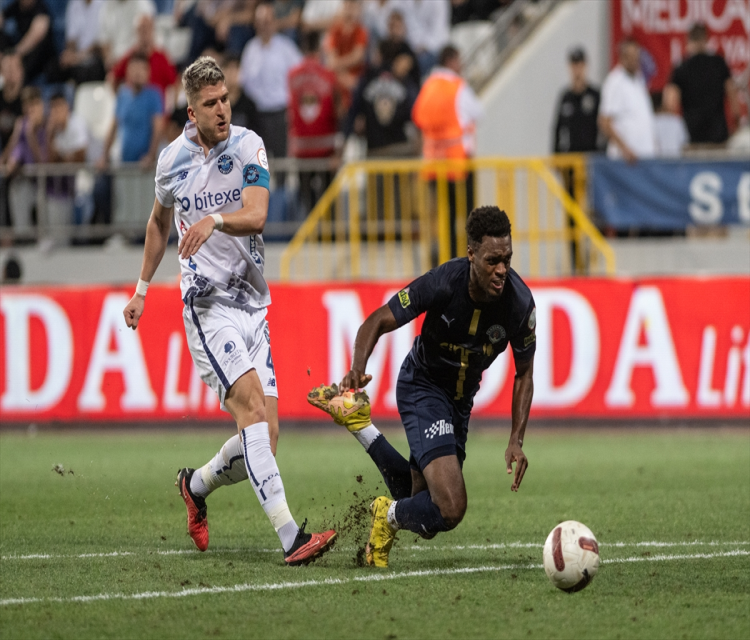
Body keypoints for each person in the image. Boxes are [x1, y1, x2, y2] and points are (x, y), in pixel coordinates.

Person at [121, 56, 336, 565]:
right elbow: (157, 223)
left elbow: (259, 213)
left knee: (267, 437)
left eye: (225, 100)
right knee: (253, 415)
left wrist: (215, 220)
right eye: (211, 104)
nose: (223, 110)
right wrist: (142, 289)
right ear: (190, 112)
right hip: (207, 306)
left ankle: (195, 486)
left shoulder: (249, 144)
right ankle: (291, 537)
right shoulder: (171, 161)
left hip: (253, 307)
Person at [309, 205, 535, 568]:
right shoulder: (444, 282)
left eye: (507, 259)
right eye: (493, 260)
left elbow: (524, 373)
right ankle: (386, 516)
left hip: (460, 404)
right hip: (423, 387)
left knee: (426, 510)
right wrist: (356, 369)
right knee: (451, 506)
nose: (502, 270)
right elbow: (379, 319)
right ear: (472, 254)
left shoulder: (519, 305)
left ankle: (361, 426)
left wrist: (516, 440)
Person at [412, 45, 482, 258]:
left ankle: (446, 258)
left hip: (434, 164)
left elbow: (417, 116)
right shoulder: (457, 86)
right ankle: (467, 259)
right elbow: (479, 112)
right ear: (451, 60)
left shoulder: (428, 86)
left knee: (444, 216)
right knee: (467, 215)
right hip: (458, 163)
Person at [239, 2, 302, 158]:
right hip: (257, 114)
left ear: (274, 22)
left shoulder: (286, 48)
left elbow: (300, 75)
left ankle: (281, 183)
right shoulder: (250, 49)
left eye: (267, 21)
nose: (264, 26)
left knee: (281, 158)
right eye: (260, 22)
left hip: (280, 113)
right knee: (258, 158)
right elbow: (244, 81)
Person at [287, 30, 340, 214]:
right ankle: (329, 237)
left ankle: (310, 237)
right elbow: (336, 109)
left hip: (302, 147)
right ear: (319, 48)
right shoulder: (328, 75)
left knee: (306, 198)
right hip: (325, 146)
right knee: (328, 199)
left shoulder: (292, 76)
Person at [664, 23, 740, 146]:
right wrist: (735, 127)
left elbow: (670, 106)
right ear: (706, 39)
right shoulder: (719, 64)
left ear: (687, 40)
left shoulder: (681, 68)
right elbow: (734, 103)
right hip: (719, 139)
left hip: (691, 139)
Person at [344, 39, 419, 157]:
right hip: (400, 149)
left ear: (379, 54)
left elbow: (353, 111)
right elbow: (415, 112)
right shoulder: (403, 81)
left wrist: (348, 135)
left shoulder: (367, 78)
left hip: (375, 151)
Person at [100, 53, 163, 169]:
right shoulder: (122, 94)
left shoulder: (154, 95)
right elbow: (114, 126)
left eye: (142, 68)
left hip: (145, 165)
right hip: (125, 161)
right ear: (128, 71)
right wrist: (104, 155)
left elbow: (158, 128)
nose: (138, 73)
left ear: (148, 72)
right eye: (134, 68)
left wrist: (151, 156)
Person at [598, 38, 655, 163]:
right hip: (625, 161)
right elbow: (605, 122)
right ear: (622, 58)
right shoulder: (615, 82)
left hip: (644, 158)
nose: (636, 60)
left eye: (637, 56)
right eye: (631, 56)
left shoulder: (638, 80)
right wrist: (624, 149)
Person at [110, 14, 178, 102]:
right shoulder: (130, 56)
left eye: (147, 28)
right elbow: (113, 78)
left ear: (153, 30)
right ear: (136, 32)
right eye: (141, 29)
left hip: (156, 111)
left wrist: (173, 109)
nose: (144, 32)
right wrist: (122, 102)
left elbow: (175, 84)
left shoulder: (162, 57)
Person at [552, 47, 600, 154]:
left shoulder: (595, 95)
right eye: (574, 66)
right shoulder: (566, 97)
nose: (577, 71)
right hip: (571, 157)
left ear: (585, 66)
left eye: (580, 66)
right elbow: (558, 129)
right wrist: (556, 156)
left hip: (591, 157)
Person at [323, 0, 369, 104]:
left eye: (352, 6)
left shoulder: (361, 31)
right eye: (347, 5)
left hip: (355, 77)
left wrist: (338, 67)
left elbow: (357, 57)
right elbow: (331, 59)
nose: (349, 10)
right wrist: (342, 77)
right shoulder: (334, 30)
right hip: (339, 77)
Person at [0, 0, 57, 83]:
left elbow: (35, 37)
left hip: (41, 58)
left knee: (16, 65)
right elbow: (3, 16)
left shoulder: (41, 9)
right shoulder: (16, 6)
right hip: (21, 53)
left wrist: (14, 53)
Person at [98, 0, 156, 70]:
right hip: (113, 61)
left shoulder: (143, 5)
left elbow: (145, 36)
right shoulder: (107, 6)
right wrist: (108, 60)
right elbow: (104, 39)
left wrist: (126, 60)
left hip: (134, 59)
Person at [61, 0, 106, 84]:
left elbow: (100, 43)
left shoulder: (103, 4)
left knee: (87, 70)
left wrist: (79, 57)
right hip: (78, 55)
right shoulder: (74, 4)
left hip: (95, 55)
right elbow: (71, 38)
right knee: (54, 68)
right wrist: (70, 54)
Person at [652, 91, 688, 158]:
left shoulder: (678, 121)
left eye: (676, 100)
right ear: (664, 100)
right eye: (671, 99)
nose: (674, 103)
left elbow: (684, 145)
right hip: (658, 162)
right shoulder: (653, 120)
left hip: (675, 163)